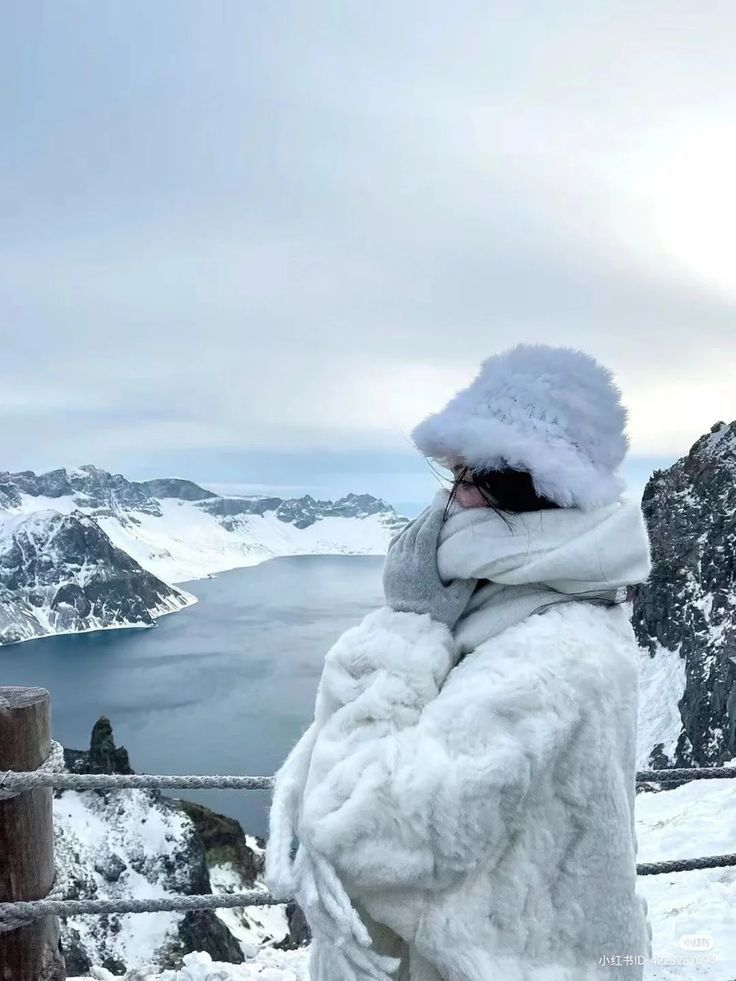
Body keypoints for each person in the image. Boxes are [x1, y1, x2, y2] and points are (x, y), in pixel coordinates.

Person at [265, 343, 654, 981]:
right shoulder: (535, 610)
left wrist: (405, 632)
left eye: (467, 478)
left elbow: (365, 834)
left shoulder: (550, 659)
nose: (452, 501)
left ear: (525, 494)